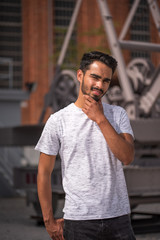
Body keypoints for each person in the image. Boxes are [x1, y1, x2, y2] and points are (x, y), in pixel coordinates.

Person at [35, 51, 136, 240]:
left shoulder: (118, 114)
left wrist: (100, 119)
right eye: (95, 77)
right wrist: (49, 221)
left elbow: (127, 157)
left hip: (119, 218)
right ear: (80, 75)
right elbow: (43, 172)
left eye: (106, 80)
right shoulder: (58, 121)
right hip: (79, 222)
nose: (100, 85)